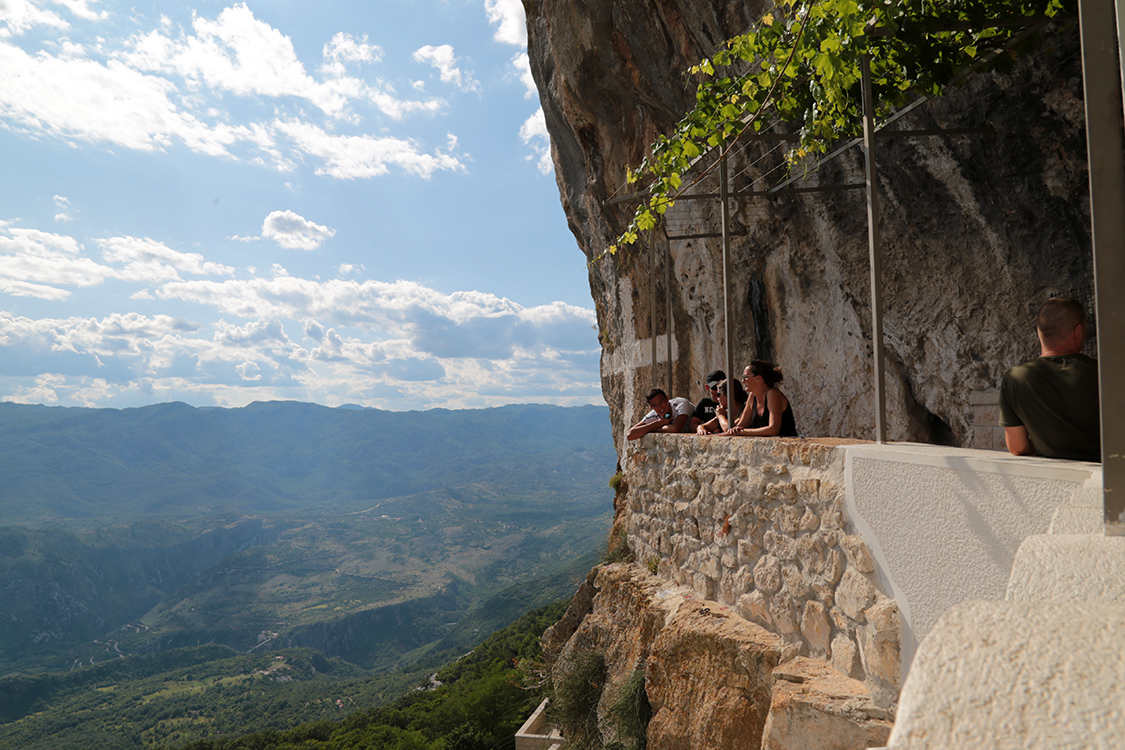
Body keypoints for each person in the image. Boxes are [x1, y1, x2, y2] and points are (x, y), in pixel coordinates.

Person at [999, 297, 1100, 461]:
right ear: (1078, 331)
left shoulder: (1014, 379)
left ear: (1039, 333)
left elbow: (1018, 447)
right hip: (1107, 476)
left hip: (1055, 479)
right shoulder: (1105, 373)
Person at [724, 360, 798, 437]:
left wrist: (742, 431)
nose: (743, 381)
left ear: (758, 378)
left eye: (745, 377)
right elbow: (742, 425)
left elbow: (773, 429)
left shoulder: (772, 394)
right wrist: (735, 430)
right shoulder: (752, 396)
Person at [626, 388, 695, 441]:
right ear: (651, 407)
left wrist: (652, 428)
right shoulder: (654, 414)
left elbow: (675, 428)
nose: (660, 407)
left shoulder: (680, 404)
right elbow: (630, 435)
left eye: (661, 402)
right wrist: (659, 423)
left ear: (667, 399)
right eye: (655, 405)